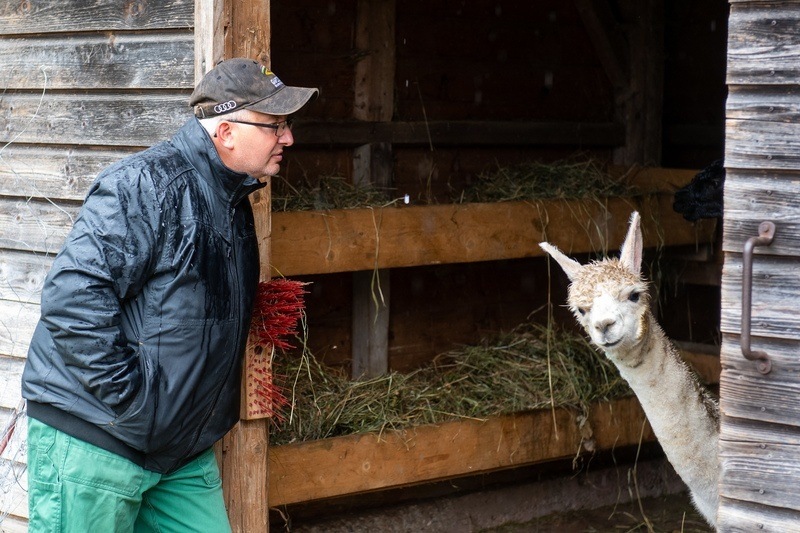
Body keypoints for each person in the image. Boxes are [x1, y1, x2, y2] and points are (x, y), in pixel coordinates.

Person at [21, 58, 318, 532]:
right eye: (275, 125)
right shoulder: (145, 186)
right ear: (226, 131)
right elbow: (71, 298)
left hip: (178, 450)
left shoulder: (233, 198)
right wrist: (133, 403)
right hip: (99, 439)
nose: (288, 138)